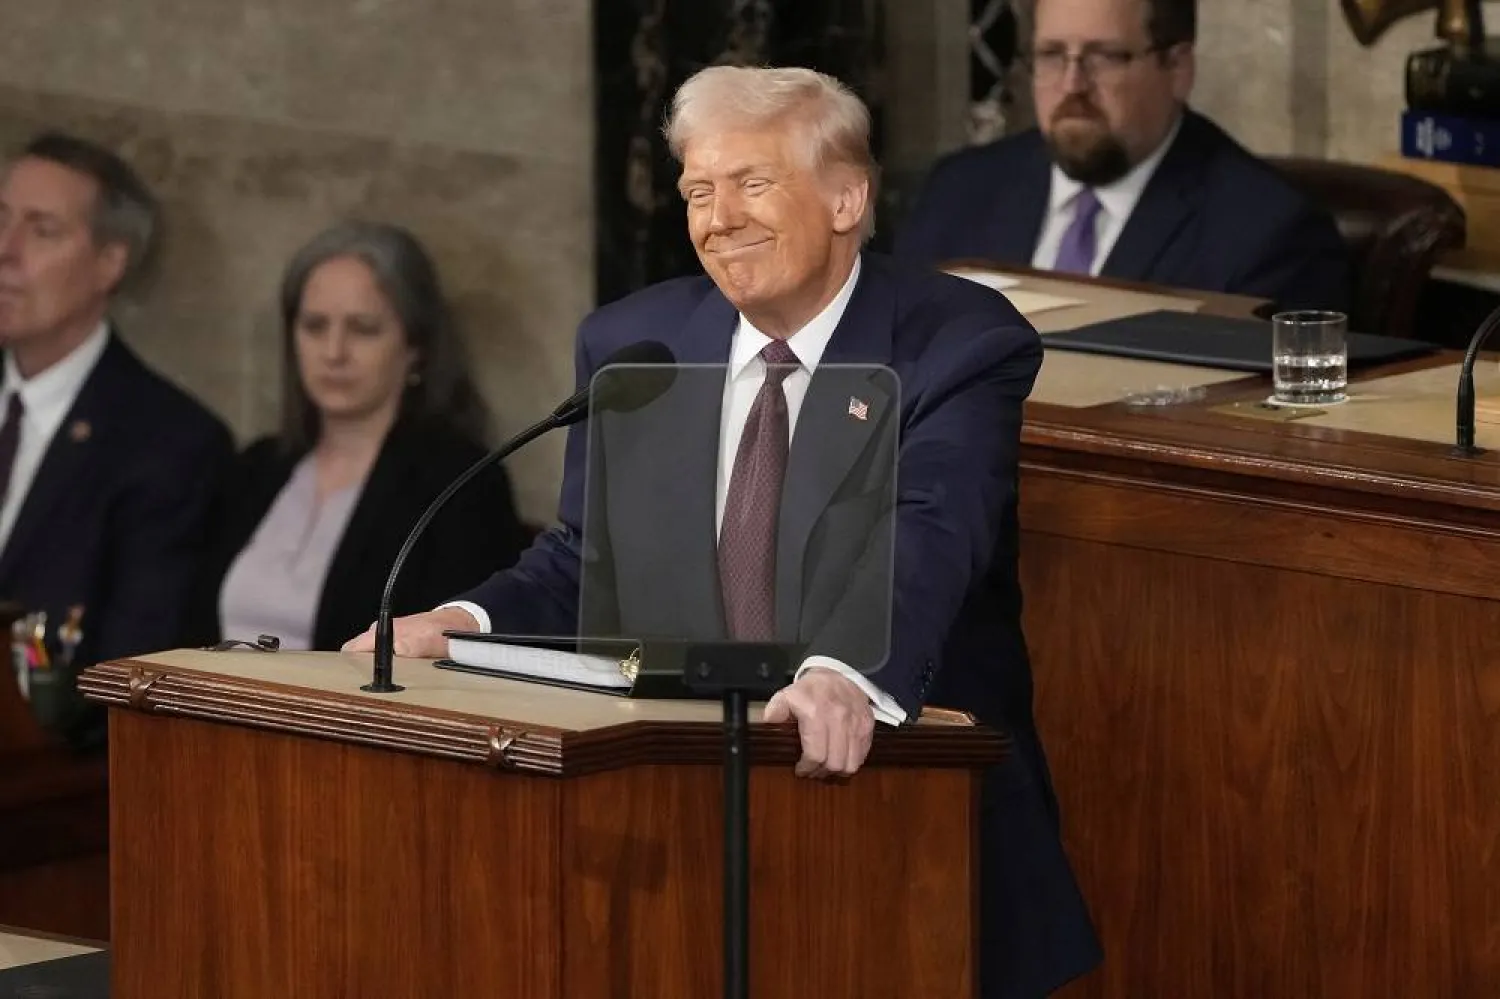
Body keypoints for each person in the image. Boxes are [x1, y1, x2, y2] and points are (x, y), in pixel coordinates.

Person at [347, 66, 1101, 996]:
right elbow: (585, 556)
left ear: (845, 196)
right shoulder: (638, 340)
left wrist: (843, 671)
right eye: (698, 191)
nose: (719, 217)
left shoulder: (956, 338)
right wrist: (456, 623)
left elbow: (932, 529)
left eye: (752, 182)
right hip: (679, 827)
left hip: (912, 824)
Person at [183, 221, 530, 652]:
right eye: (314, 326)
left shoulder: (460, 484)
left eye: (363, 328)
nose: (333, 352)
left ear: (415, 346)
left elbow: (457, 658)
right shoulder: (256, 468)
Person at [894, 0, 1352, 314]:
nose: (1071, 85)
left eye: (1104, 57)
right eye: (1051, 55)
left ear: (1177, 67)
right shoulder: (960, 189)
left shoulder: (1268, 234)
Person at [0, 131, 231, 688]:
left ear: (109, 263)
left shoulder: (170, 444)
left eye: (42, 231)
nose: (6, 249)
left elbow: (127, 669)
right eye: (1, 217)